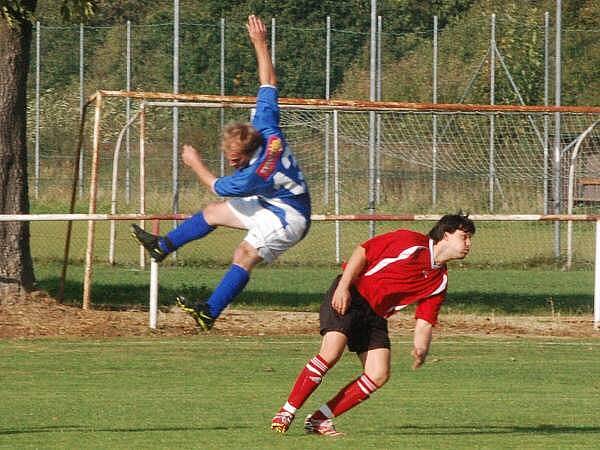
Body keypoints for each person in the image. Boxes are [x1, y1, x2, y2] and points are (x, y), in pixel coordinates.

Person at [131, 15, 311, 332]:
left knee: (243, 254)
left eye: (234, 158)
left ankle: (209, 313)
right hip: (273, 201)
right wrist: (260, 42)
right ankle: (162, 246)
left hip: (289, 217)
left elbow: (216, 185)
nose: (230, 162)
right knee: (213, 214)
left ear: (248, 153)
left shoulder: (255, 174)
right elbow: (268, 81)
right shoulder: (265, 126)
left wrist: (194, 161)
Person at [270, 213, 475, 436]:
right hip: (352, 294)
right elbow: (363, 251)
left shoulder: (440, 279)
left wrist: (421, 348)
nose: (468, 243)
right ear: (446, 235)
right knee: (331, 353)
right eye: (464, 237)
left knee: (378, 374)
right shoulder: (411, 243)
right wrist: (343, 288)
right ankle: (287, 411)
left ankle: (319, 419)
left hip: (375, 315)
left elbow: (425, 320)